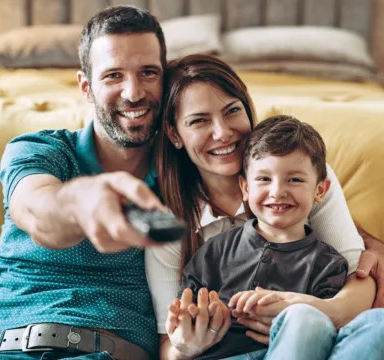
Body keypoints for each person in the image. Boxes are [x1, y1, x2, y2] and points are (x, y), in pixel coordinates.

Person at [147, 54, 384, 360]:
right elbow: (168, 342)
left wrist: (309, 309)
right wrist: (186, 345)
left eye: (232, 111)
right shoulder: (170, 221)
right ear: (174, 133)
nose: (222, 132)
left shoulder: (305, 172)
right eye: (199, 120)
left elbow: (357, 277)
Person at [0, 6, 168, 360]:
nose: (133, 92)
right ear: (86, 87)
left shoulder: (182, 174)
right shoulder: (39, 150)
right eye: (113, 76)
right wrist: (81, 202)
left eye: (148, 72)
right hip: (2, 350)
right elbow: (39, 209)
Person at [177, 115, 353, 359]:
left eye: (295, 179)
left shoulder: (328, 265)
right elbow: (185, 313)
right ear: (246, 188)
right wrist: (195, 318)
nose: (278, 192)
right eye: (263, 179)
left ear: (320, 190)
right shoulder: (215, 250)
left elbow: (326, 334)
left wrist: (295, 317)